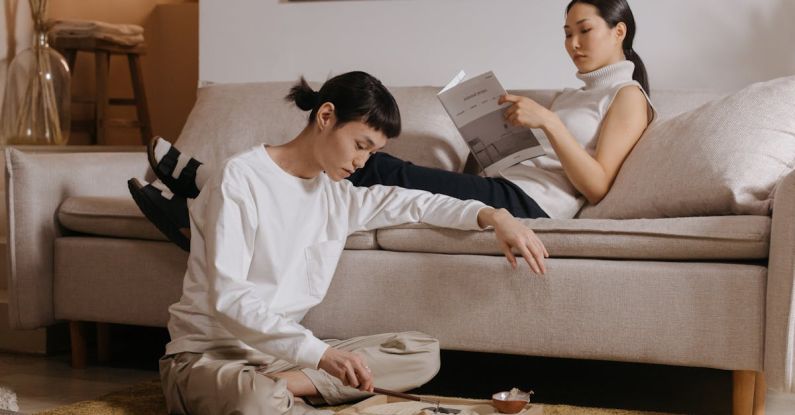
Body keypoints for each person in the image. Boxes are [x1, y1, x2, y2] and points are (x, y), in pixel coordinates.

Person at [142, 71, 549, 414]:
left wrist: (495, 216)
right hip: (205, 357)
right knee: (256, 401)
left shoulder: (337, 197)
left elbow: (416, 203)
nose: (361, 162)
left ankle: (288, 388)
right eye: (360, 145)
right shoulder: (241, 178)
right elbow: (229, 300)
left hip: (279, 358)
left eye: (372, 153)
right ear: (325, 116)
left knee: (421, 351)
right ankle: (289, 391)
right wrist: (322, 356)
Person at [130, 0, 655, 253]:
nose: (572, 43)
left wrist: (546, 123)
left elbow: (597, 183)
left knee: (372, 166)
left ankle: (203, 192)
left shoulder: (627, 96)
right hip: (511, 183)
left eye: (584, 30)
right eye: (566, 32)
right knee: (358, 179)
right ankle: (209, 194)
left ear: (619, 31)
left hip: (532, 206)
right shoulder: (578, 93)